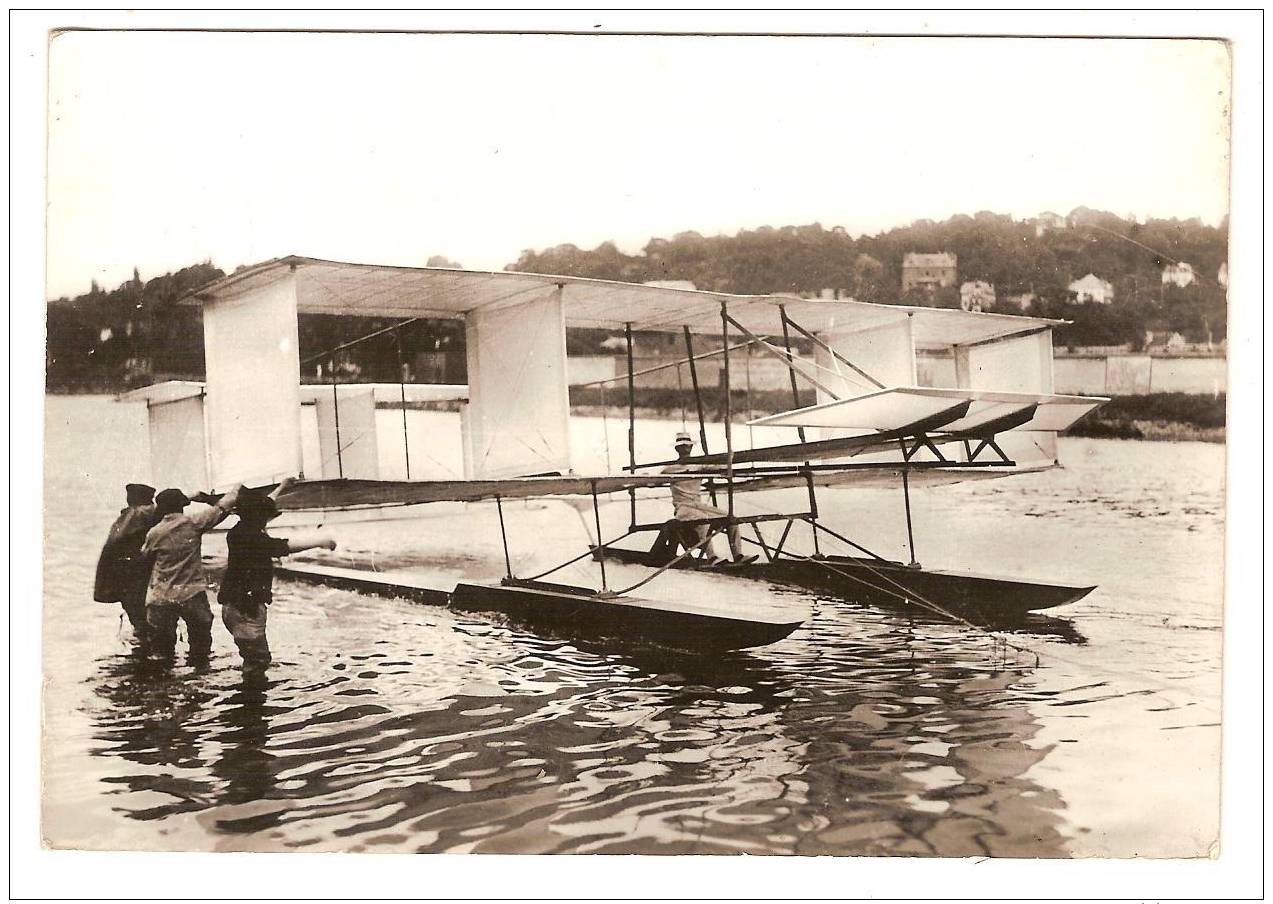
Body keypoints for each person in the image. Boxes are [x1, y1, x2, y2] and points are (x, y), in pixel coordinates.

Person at [219, 478, 335, 670]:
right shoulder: (252, 537)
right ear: (260, 516)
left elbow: (265, 504)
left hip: (233, 605)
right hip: (246, 608)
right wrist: (320, 541)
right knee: (258, 660)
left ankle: (250, 691)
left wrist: (282, 486)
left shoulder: (239, 530)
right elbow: (282, 546)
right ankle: (252, 696)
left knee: (253, 657)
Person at [140, 484, 242, 664]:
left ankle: (163, 685)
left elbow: (145, 557)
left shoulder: (154, 533)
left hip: (161, 596)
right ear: (182, 506)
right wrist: (237, 487)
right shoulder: (194, 523)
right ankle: (199, 678)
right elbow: (222, 507)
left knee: (161, 650)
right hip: (191, 593)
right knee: (200, 644)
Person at [660, 432, 756, 566]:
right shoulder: (670, 469)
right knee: (703, 521)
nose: (686, 449)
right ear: (677, 449)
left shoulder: (698, 465)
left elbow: (719, 468)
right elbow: (652, 481)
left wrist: (730, 457)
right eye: (682, 447)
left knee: (731, 518)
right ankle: (712, 558)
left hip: (698, 505)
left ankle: (738, 555)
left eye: (688, 446)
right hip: (684, 508)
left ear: (692, 448)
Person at [93, 483, 160, 646]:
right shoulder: (141, 513)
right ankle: (148, 641)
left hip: (127, 569)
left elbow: (116, 543)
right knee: (140, 607)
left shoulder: (132, 515)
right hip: (136, 568)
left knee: (136, 608)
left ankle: (145, 641)